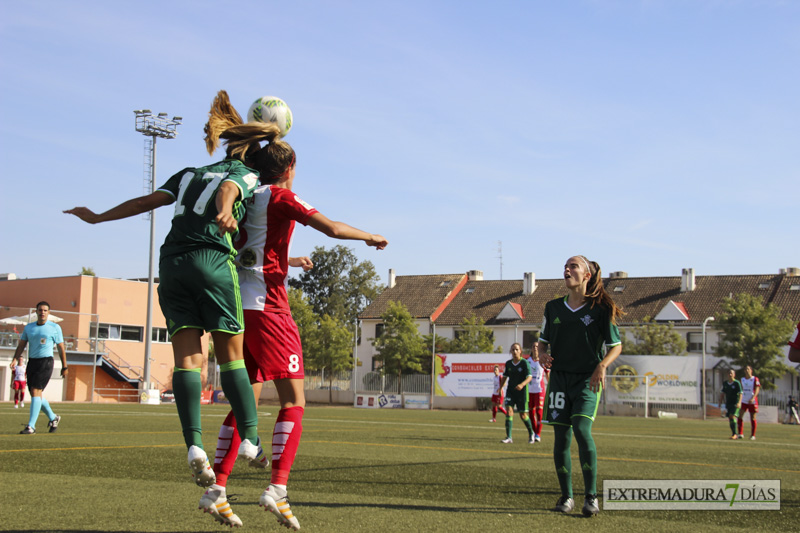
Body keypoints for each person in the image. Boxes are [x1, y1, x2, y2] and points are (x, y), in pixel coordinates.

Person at [64, 92, 284, 489]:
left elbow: (146, 201)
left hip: (172, 266)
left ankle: (194, 447)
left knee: (188, 359)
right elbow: (231, 190)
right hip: (212, 262)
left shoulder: (187, 173)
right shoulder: (246, 174)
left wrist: (97, 218)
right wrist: (224, 210)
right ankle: (251, 440)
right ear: (252, 155)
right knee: (231, 357)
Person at [197, 90, 388, 530]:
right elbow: (333, 227)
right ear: (289, 169)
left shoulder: (244, 194)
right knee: (295, 401)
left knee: (246, 397)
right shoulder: (281, 197)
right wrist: (370, 236)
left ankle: (217, 487)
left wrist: (290, 261)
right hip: (270, 310)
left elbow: (252, 249)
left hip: (237, 306)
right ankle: (277, 488)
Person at [537, 255, 623, 517]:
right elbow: (542, 340)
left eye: (573, 266)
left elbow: (616, 346)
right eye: (565, 266)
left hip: (587, 379)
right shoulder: (552, 307)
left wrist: (603, 365)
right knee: (561, 437)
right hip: (560, 380)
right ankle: (566, 497)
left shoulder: (601, 309)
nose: (567, 269)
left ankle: (591, 497)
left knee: (582, 430)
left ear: (586, 275)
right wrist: (541, 353)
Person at [12, 302, 67, 434]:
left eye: (45, 310)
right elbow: (21, 345)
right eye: (40, 310)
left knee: (36, 391)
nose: (42, 312)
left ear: (48, 312)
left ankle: (31, 426)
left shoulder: (55, 327)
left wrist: (65, 366)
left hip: (46, 363)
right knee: (35, 394)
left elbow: (61, 348)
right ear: (36, 312)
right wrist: (15, 358)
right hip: (32, 363)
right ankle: (53, 417)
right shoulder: (29, 328)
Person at [497, 343, 535, 444]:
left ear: (520, 351)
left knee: (523, 415)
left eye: (516, 349)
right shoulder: (508, 363)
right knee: (509, 411)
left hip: (522, 393)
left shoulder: (524, 363)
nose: (514, 352)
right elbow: (505, 376)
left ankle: (531, 433)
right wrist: (500, 388)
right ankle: (509, 437)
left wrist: (522, 385)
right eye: (513, 350)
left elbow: (529, 377)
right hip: (510, 391)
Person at [527, 343, 548, 443]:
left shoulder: (542, 361)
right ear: (531, 349)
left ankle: (538, 434)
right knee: (531, 413)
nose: (535, 348)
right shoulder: (528, 361)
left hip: (540, 390)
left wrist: (551, 386)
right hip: (530, 390)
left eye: (537, 346)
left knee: (539, 413)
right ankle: (534, 432)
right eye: (533, 346)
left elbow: (548, 375)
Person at [737, 365, 760, 440]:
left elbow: (757, 389)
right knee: (740, 415)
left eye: (748, 369)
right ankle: (740, 433)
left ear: (751, 370)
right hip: (744, 400)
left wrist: (753, 398)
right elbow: (741, 390)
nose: (747, 370)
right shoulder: (742, 379)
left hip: (752, 401)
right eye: (745, 369)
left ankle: (753, 435)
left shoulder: (755, 379)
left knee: (753, 417)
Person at [719, 369, 743, 440]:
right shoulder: (725, 383)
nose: (730, 374)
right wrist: (720, 402)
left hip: (735, 403)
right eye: (729, 373)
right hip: (728, 403)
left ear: (734, 375)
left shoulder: (737, 383)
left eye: (731, 373)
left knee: (732, 416)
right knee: (730, 418)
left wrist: (739, 402)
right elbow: (722, 393)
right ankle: (734, 433)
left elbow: (740, 393)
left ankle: (735, 434)